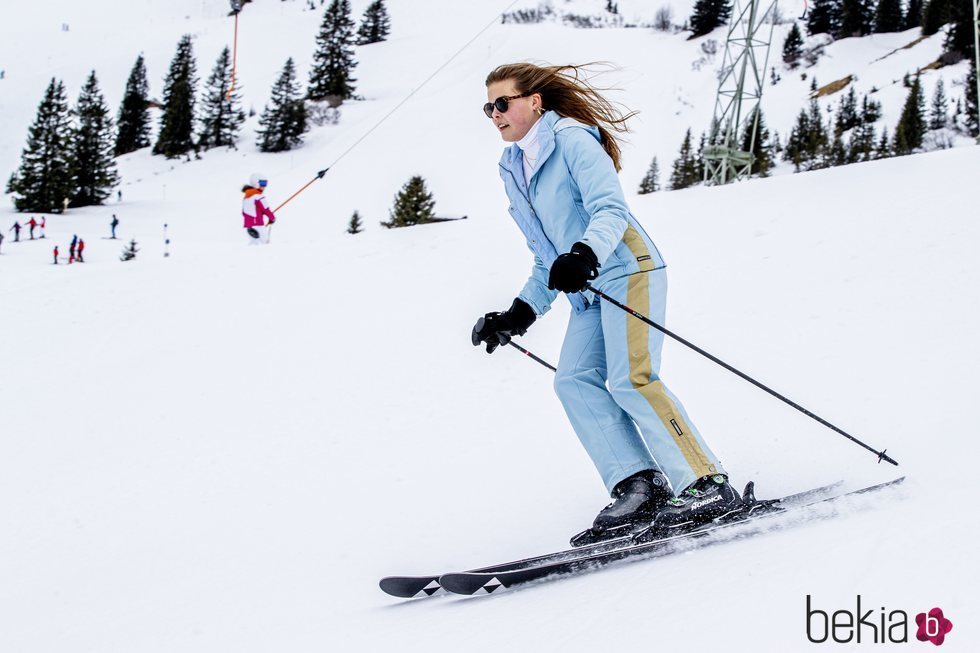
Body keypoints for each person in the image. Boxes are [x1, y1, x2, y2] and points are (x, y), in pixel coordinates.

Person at [471, 63, 740, 539]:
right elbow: (545, 256)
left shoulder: (573, 139)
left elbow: (609, 209)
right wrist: (519, 312)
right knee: (573, 380)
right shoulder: (514, 167)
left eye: (502, 103)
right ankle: (639, 485)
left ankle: (705, 482)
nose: (494, 114)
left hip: (626, 269)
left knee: (631, 379)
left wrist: (584, 254)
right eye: (487, 107)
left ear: (535, 102)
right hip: (587, 288)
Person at [241, 173, 276, 244]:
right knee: (264, 243)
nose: (264, 186)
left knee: (255, 243)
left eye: (265, 183)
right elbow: (266, 209)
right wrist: (272, 218)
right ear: (255, 183)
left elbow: (244, 212)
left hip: (249, 226)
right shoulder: (258, 196)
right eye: (262, 183)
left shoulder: (246, 196)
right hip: (258, 225)